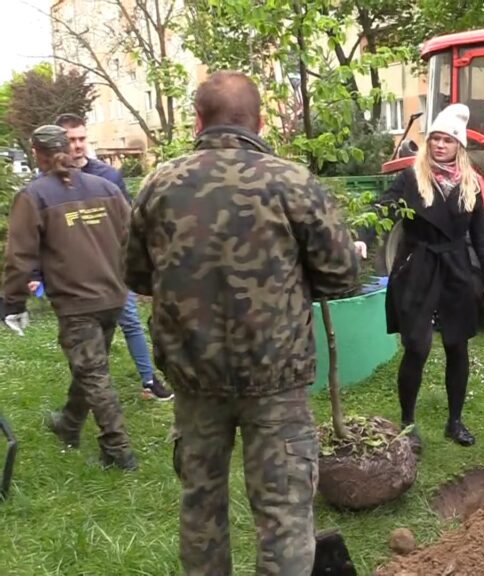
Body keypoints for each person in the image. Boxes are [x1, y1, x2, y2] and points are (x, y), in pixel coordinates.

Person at [125, 71, 359, 575]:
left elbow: (138, 275)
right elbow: (343, 276)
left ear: (197, 119)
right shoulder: (291, 182)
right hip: (277, 380)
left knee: (200, 507)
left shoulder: (159, 185)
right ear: (260, 120)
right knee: (284, 514)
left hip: (194, 380)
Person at [354, 103, 484, 452]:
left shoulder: (471, 184)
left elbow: (481, 237)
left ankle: (454, 421)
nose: (439, 145)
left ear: (458, 146)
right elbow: (382, 208)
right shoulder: (410, 178)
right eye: (434, 138)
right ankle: (407, 422)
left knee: (457, 345)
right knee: (418, 347)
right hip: (417, 265)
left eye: (447, 140)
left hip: (455, 269)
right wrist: (362, 234)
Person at [3, 125, 137, 471]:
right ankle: (69, 424)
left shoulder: (34, 196)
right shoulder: (106, 188)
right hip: (113, 294)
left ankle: (118, 450)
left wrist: (12, 303)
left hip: (78, 301)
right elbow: (134, 237)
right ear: (67, 148)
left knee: (92, 372)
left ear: (36, 153)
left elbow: (19, 257)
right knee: (88, 364)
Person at [47, 112, 172, 401]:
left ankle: (149, 379)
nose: (77, 145)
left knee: (129, 319)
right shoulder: (49, 182)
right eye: (71, 140)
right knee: (80, 332)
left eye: (81, 138)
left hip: (111, 265)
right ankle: (86, 395)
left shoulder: (107, 175)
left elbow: (127, 222)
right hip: (73, 272)